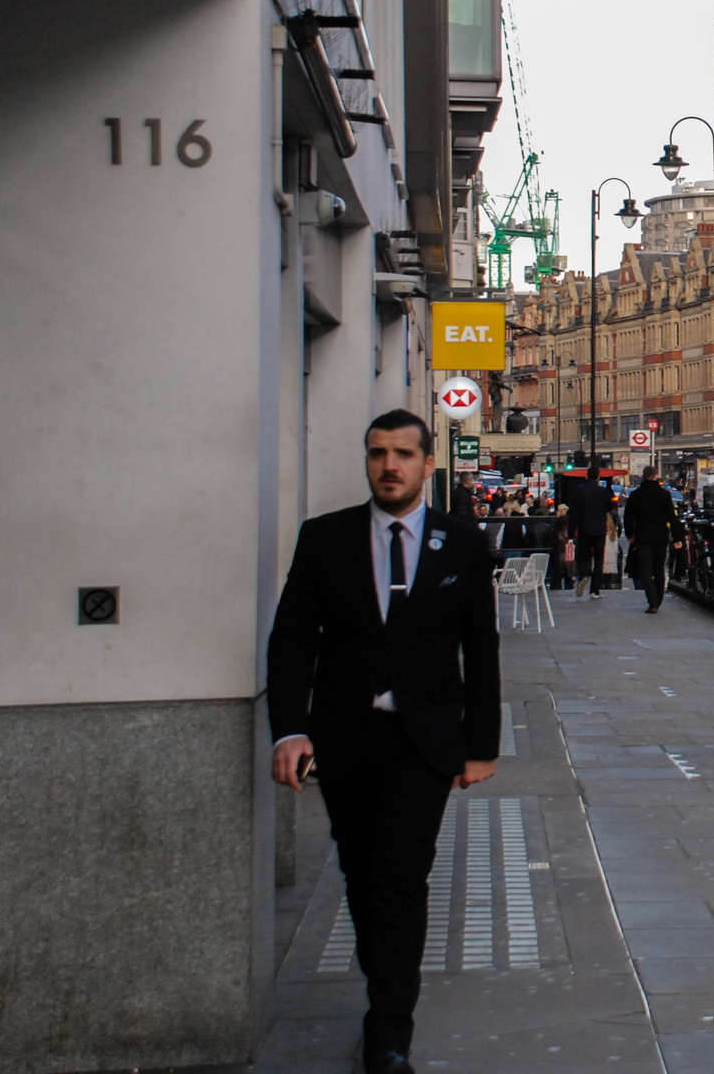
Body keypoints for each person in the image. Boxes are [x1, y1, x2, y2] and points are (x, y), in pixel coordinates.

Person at [266, 409, 500, 1074]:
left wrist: (481, 746)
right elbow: (292, 641)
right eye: (377, 454)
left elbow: (480, 650)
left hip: (422, 741)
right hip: (344, 737)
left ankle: (390, 1027)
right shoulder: (325, 539)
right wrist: (290, 728)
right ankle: (384, 985)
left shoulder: (460, 542)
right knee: (361, 874)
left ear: (429, 464)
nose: (388, 466)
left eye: (402, 454)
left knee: (400, 876)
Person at [623, 466, 677, 613]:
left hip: (642, 536)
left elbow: (628, 517)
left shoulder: (636, 495)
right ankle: (658, 600)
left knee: (645, 570)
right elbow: (672, 517)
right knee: (659, 569)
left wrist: (629, 534)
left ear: (643, 476)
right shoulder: (664, 494)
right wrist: (677, 538)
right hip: (660, 536)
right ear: (656, 476)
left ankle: (652, 601)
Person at [567, 466, 612, 599]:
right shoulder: (603, 491)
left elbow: (573, 514)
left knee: (583, 557)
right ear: (598, 476)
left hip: (584, 529)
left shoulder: (579, 491)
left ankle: (584, 575)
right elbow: (610, 506)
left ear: (586, 476)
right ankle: (595, 590)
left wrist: (571, 533)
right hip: (599, 529)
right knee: (599, 560)